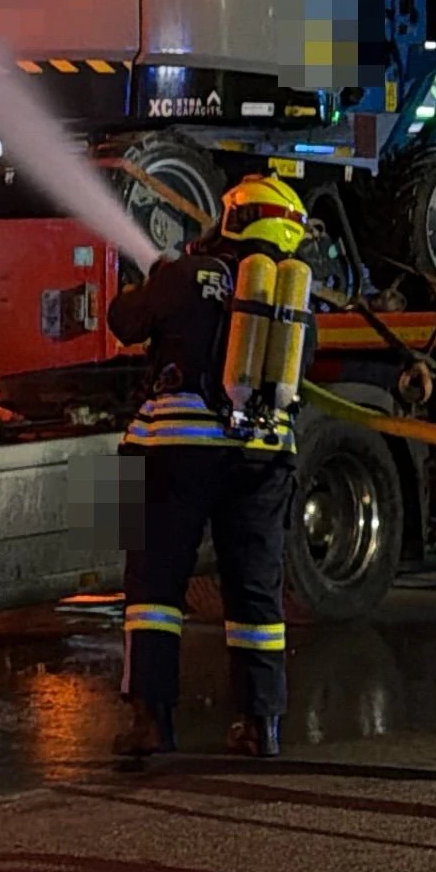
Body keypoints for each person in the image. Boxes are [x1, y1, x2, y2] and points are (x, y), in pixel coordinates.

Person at [106, 171, 309, 758]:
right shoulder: (293, 293)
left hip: (171, 452)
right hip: (265, 458)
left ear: (234, 219)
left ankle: (151, 725)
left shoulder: (186, 275)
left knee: (152, 588)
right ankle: (261, 726)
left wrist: (145, 282)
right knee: (256, 593)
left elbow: (124, 324)